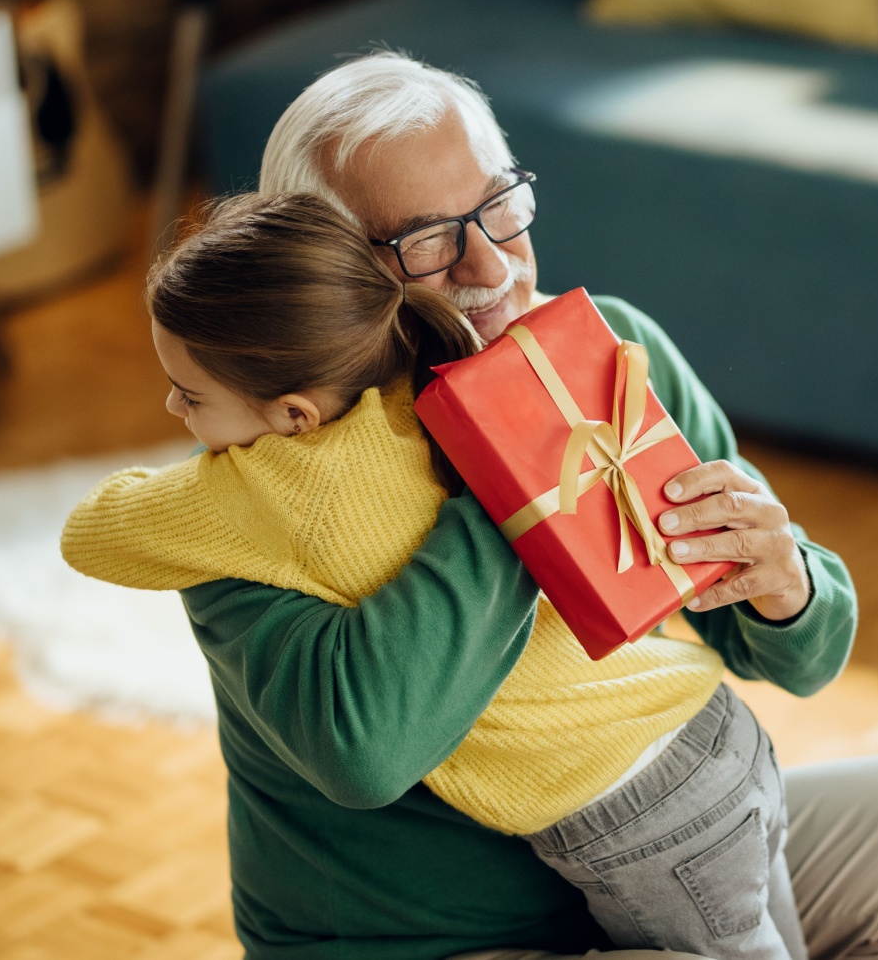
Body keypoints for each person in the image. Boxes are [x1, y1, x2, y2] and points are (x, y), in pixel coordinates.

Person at [171, 50, 878, 960]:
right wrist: (516, 469)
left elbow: (801, 660)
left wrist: (785, 584)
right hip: (427, 944)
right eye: (427, 241)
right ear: (330, 269)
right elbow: (362, 755)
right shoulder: (256, 477)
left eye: (498, 209)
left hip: (644, 860)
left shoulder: (613, 352)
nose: (490, 265)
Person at [61, 191, 807, 960]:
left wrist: (210, 470)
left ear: (293, 416)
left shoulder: (262, 490)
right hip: (713, 727)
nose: (172, 406)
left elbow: (90, 533)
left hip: (645, 820)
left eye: (189, 395)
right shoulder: (441, 399)